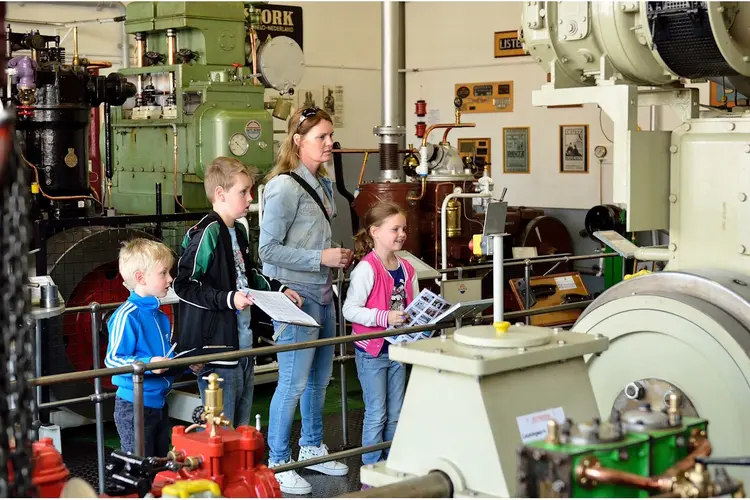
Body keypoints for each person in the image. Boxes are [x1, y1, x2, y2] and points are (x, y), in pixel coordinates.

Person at [259, 106, 354, 494]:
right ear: (298, 142)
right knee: (293, 383)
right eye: (321, 137)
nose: (330, 143)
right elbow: (267, 251)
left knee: (319, 381)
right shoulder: (284, 186)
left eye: (331, 136)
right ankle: (279, 462)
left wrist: (333, 254)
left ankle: (311, 447)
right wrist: (320, 257)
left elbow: (307, 238)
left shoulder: (324, 184)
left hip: (322, 293)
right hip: (295, 300)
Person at [173, 156, 301, 427]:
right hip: (217, 350)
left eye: (250, 190)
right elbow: (184, 284)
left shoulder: (239, 232)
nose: (250, 197)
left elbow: (248, 275)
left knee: (241, 426)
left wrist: (280, 289)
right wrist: (228, 299)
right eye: (243, 191)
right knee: (221, 429)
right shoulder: (207, 233)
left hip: (242, 345)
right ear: (220, 194)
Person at [342, 202, 417, 481]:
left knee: (395, 412)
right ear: (374, 231)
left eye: (403, 229)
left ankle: (392, 461)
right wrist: (384, 317)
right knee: (377, 411)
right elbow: (350, 309)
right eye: (395, 228)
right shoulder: (366, 269)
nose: (401, 234)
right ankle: (372, 467)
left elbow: (413, 305)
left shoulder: (408, 268)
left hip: (398, 350)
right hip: (373, 352)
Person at [105, 238, 177, 457]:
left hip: (159, 401)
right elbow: (113, 360)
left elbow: (163, 357)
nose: (170, 279)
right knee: (139, 468)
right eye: (163, 273)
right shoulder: (127, 316)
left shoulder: (160, 315)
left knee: (160, 463)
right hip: (134, 405)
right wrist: (147, 365)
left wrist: (184, 364)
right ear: (140, 278)